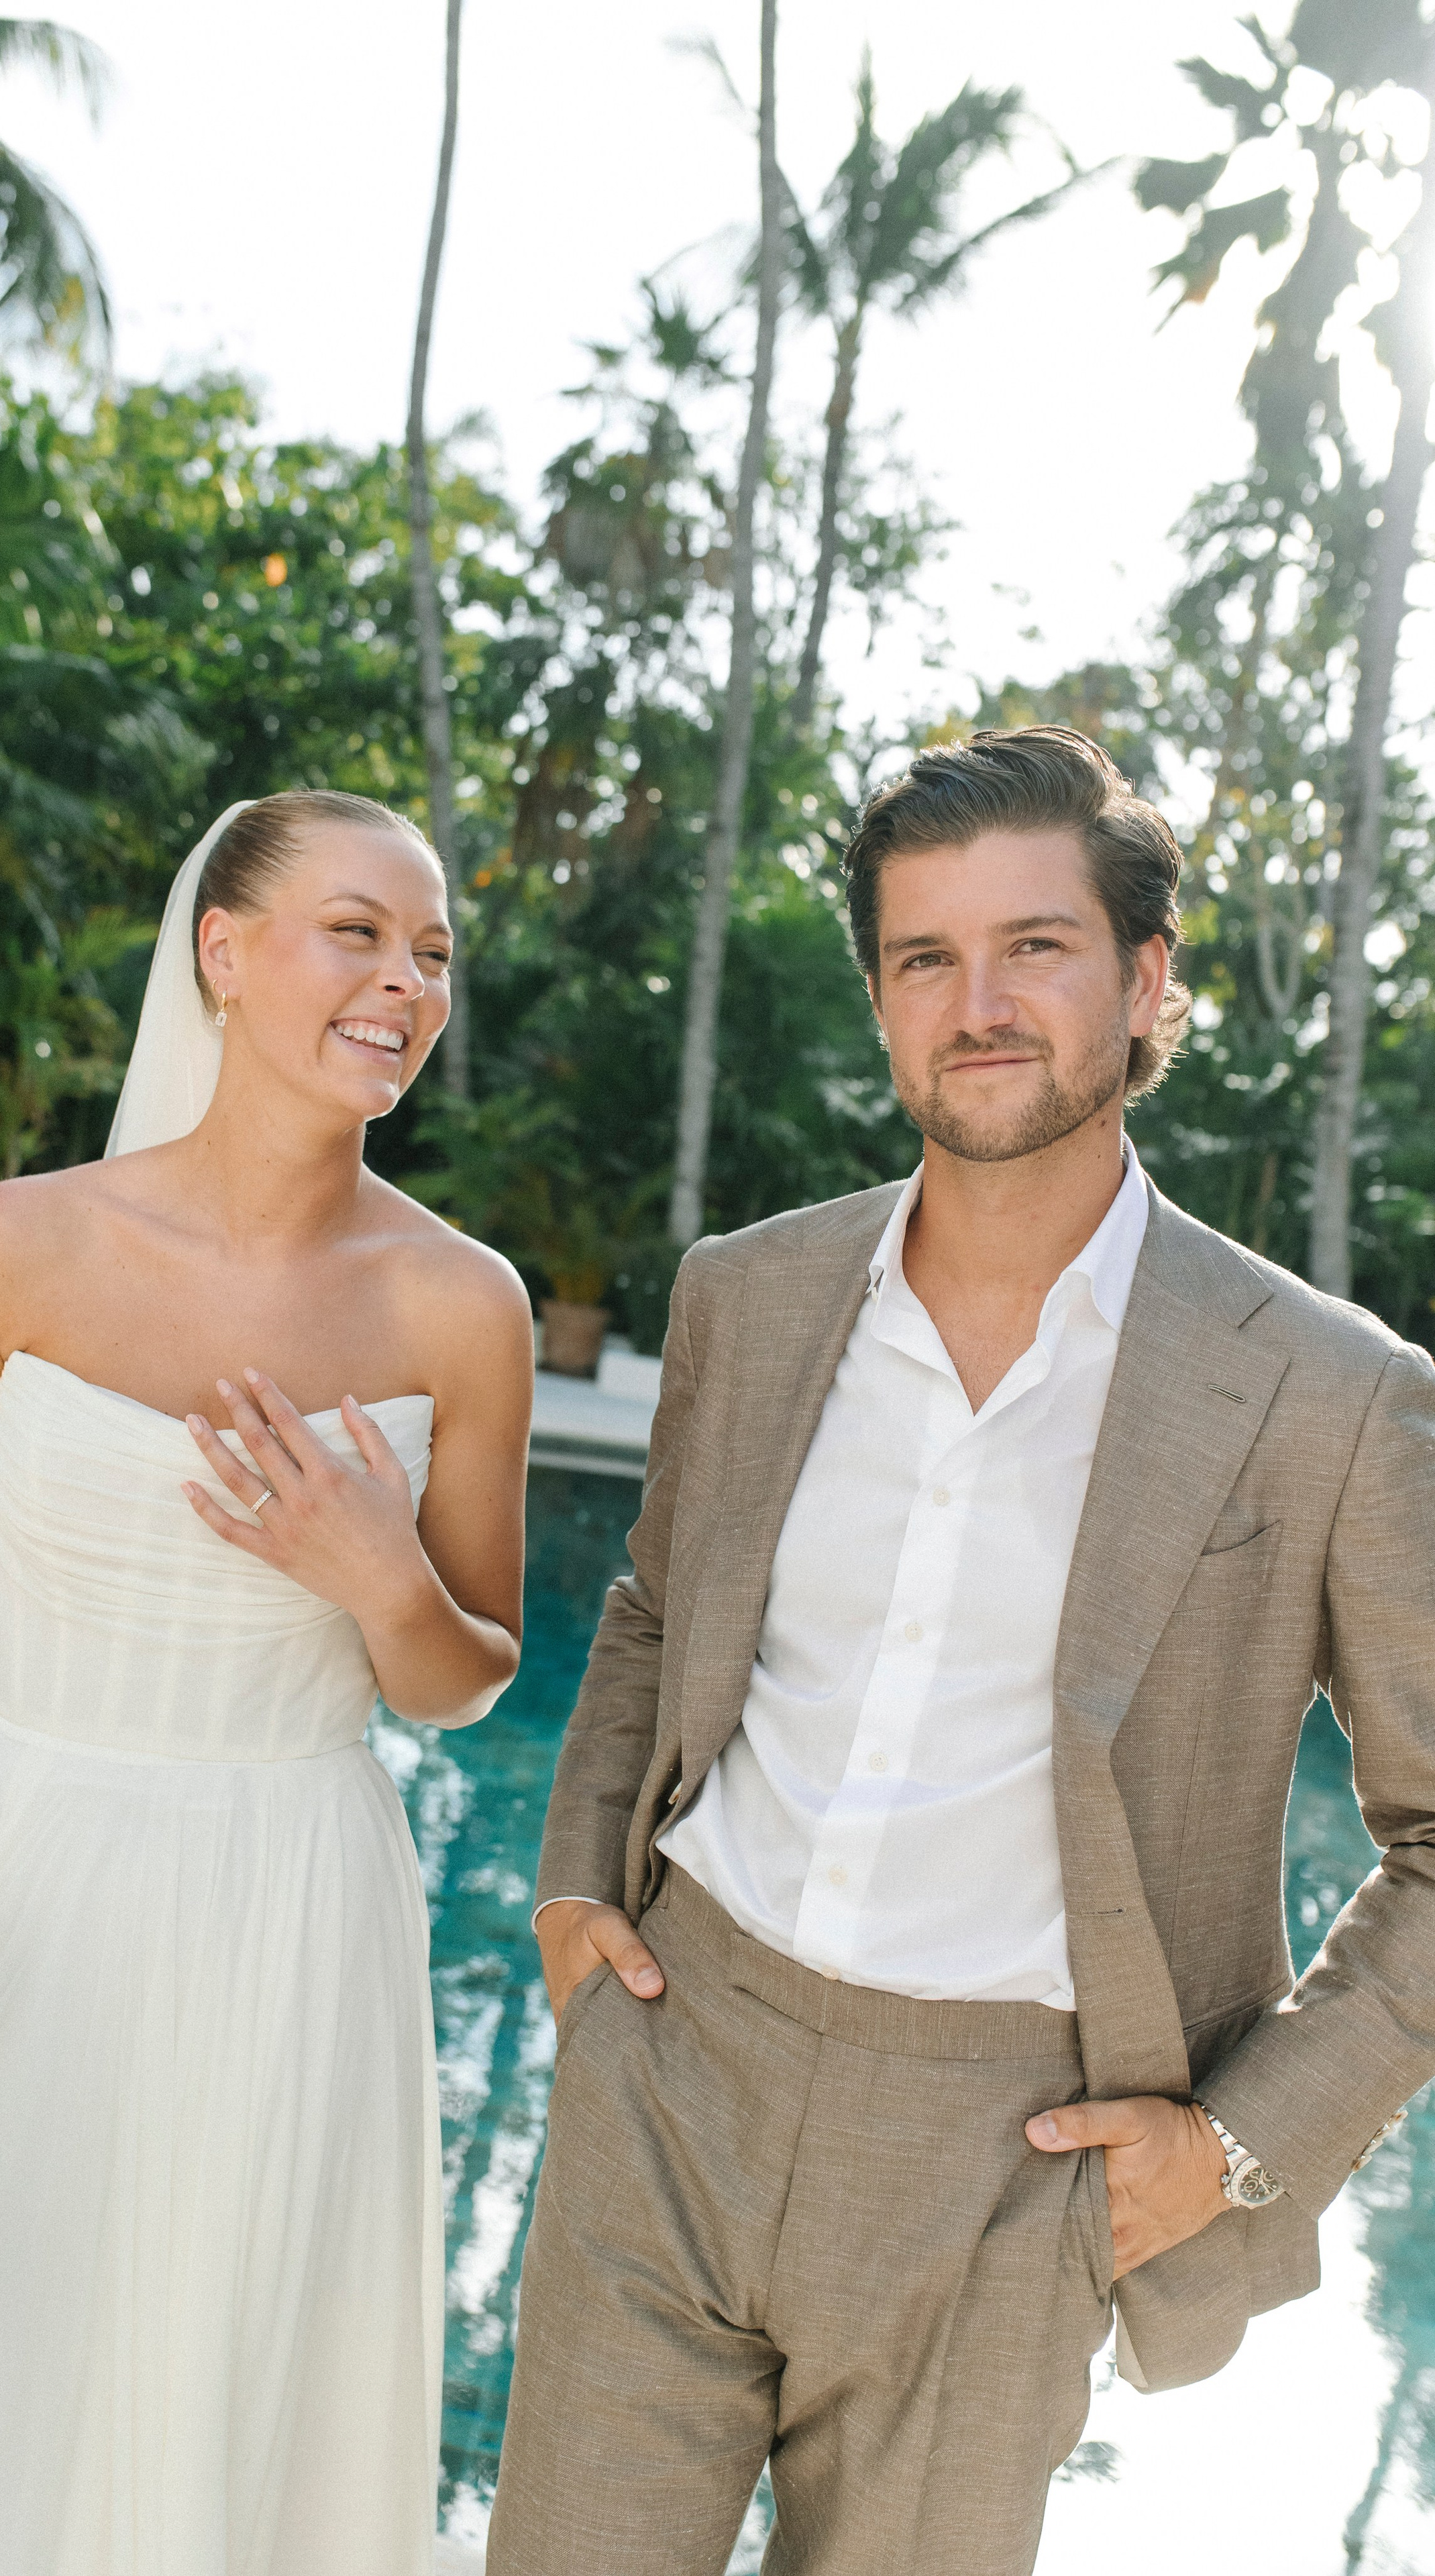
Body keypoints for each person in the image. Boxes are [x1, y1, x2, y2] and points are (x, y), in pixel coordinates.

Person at [488, 727, 1435, 2576]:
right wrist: (566, 1895)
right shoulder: (750, 1294)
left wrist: (1238, 2149)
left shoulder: (1329, 1394)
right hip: (672, 2075)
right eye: (926, 958)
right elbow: (657, 1607)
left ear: (1147, 979)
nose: (977, 1003)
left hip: (1014, 2159)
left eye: (1036, 948)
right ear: (880, 999)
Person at [0, 790, 534, 2576]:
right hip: (6, 1874)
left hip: (292, 1902)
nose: (407, 980)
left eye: (435, 952)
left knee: (219, 2382)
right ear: (224, 955)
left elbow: (470, 1672)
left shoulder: (462, 1307)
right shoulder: (21, 1241)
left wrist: (378, 1580)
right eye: (359, 932)